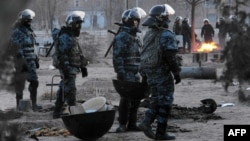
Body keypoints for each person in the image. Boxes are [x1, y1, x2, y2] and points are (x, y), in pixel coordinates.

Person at [139, 4, 181, 140]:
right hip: (162, 74)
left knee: (156, 99)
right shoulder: (166, 34)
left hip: (150, 72)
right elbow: (170, 56)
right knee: (166, 102)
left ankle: (146, 122)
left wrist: (144, 76)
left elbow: (144, 53)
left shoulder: (148, 34)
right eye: (167, 17)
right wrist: (176, 72)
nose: (169, 20)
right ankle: (160, 132)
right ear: (162, 18)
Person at [112, 8, 146, 132]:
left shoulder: (137, 36)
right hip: (126, 72)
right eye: (135, 21)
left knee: (136, 99)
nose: (137, 23)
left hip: (136, 72)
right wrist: (120, 71)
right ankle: (122, 124)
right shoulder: (122, 36)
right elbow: (118, 56)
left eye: (138, 21)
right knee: (125, 99)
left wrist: (143, 69)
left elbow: (140, 54)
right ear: (129, 21)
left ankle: (132, 124)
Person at [52, 11, 88, 119]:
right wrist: (66, 69)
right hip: (68, 68)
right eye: (77, 24)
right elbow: (62, 55)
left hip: (72, 68)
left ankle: (57, 112)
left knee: (64, 88)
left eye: (80, 24)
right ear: (71, 24)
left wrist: (82, 66)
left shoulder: (71, 36)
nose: (79, 26)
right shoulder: (65, 36)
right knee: (71, 90)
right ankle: (74, 115)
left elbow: (77, 52)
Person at [10, 9, 42, 111]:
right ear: (22, 20)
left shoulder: (29, 31)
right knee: (20, 84)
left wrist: (35, 58)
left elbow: (33, 46)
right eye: (27, 20)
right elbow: (16, 47)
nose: (29, 22)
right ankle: (19, 106)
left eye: (30, 20)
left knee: (34, 82)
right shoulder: (17, 32)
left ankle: (34, 105)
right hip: (21, 62)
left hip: (31, 61)